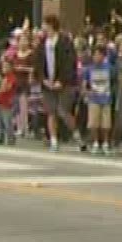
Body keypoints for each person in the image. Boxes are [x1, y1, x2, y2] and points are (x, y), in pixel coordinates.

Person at [39, 14, 80, 151]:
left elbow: (70, 63)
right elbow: (38, 63)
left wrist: (61, 80)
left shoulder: (64, 41)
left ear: (51, 25)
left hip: (64, 83)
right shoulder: (43, 43)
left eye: (44, 24)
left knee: (63, 111)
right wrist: (43, 79)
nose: (43, 27)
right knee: (51, 112)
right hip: (47, 82)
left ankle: (76, 134)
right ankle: (54, 140)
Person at [84, 46, 116, 154]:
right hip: (94, 98)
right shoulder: (89, 68)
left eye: (99, 54)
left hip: (106, 98)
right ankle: (96, 142)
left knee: (106, 123)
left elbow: (114, 81)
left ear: (103, 56)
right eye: (95, 54)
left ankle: (106, 142)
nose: (96, 57)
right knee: (93, 123)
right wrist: (86, 92)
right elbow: (84, 83)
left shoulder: (110, 68)